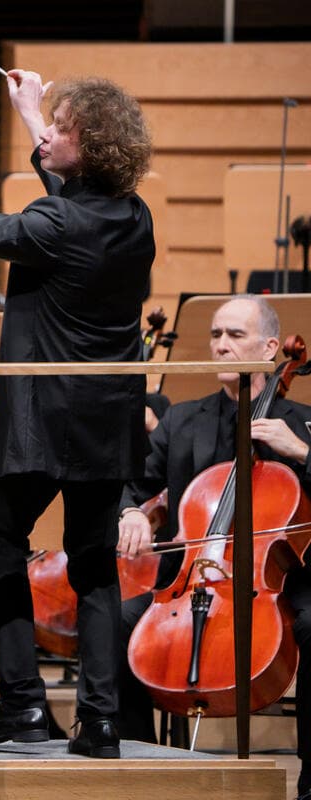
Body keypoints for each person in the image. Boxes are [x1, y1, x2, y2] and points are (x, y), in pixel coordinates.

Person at [0, 70, 154, 758]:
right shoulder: (133, 216)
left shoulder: (56, 223)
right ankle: (100, 722)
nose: (50, 134)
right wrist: (29, 109)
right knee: (95, 564)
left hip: (45, 417)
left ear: (93, 146)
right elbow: (66, 209)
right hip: (108, 419)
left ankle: (22, 705)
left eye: (62, 128)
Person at [117, 295, 311, 798]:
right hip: (194, 579)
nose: (221, 346)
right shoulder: (183, 421)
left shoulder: (303, 422)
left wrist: (301, 452)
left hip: (283, 581)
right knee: (116, 621)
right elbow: (133, 483)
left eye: (235, 336)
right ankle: (136, 758)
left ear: (272, 348)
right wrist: (132, 511)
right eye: (216, 336)